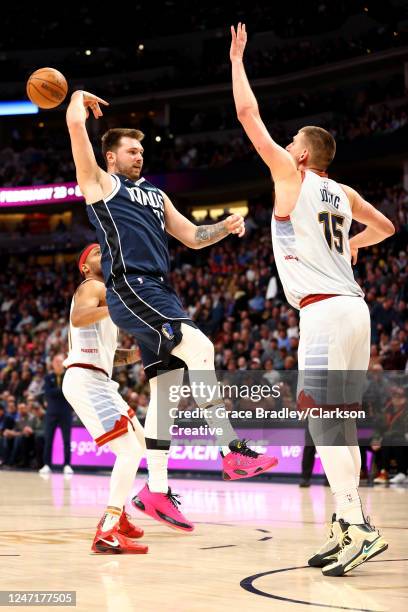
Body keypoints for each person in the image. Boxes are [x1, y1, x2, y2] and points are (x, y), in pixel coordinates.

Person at [65, 90, 278, 530]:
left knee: (167, 390)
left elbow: (193, 237)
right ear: (111, 157)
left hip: (161, 291)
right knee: (200, 347)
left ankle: (157, 492)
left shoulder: (158, 197)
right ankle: (230, 450)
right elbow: (75, 134)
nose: (139, 156)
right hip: (131, 287)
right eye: (131, 151)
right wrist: (75, 102)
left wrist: (225, 226)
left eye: (142, 151)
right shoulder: (103, 187)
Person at [230, 22, 394, 576]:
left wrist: (236, 61)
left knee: (324, 424)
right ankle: (342, 525)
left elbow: (249, 118)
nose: (287, 147)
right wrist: (353, 242)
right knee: (338, 425)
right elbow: (389, 228)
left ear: (301, 155)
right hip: (356, 309)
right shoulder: (343, 193)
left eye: (293, 143)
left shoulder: (290, 175)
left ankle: (360, 525)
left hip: (324, 311)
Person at [62, 243, 147, 554]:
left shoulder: (104, 291)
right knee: (128, 451)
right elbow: (80, 317)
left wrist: (137, 354)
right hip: (87, 379)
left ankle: (120, 516)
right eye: (96, 253)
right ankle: (107, 530)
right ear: (85, 267)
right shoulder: (92, 285)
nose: (104, 254)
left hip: (97, 377)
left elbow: (112, 355)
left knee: (139, 444)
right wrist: (117, 306)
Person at [39, 355, 74, 475]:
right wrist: (62, 391)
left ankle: (67, 465)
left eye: (61, 362)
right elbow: (48, 393)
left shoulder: (69, 376)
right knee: (48, 439)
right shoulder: (48, 377)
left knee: (67, 441)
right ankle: (47, 464)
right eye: (56, 361)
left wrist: (59, 391)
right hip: (51, 413)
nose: (59, 364)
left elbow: (70, 391)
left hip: (66, 412)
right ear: (53, 363)